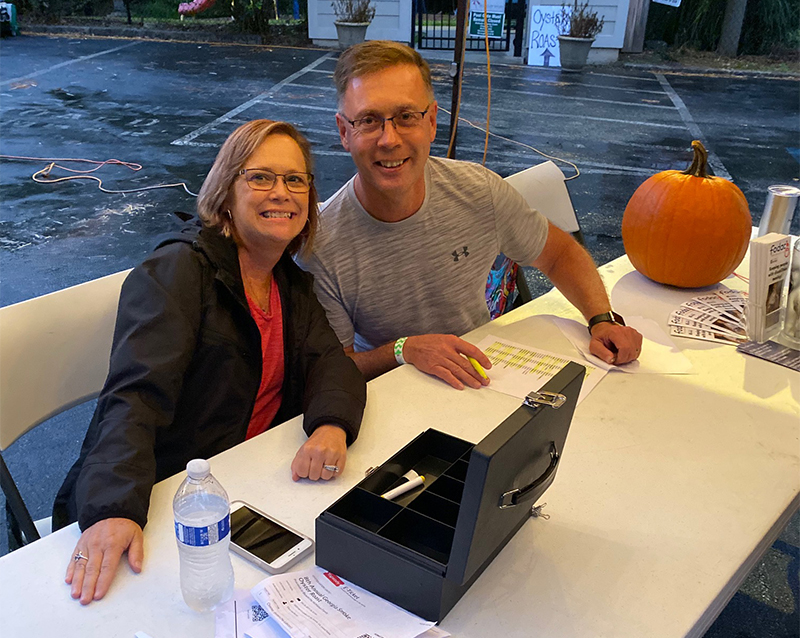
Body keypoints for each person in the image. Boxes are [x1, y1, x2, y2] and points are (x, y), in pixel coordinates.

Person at [52, 119, 366, 605]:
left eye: (295, 179)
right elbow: (135, 397)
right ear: (225, 192)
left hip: (244, 485)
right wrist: (114, 509)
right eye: (260, 177)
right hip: (167, 501)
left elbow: (331, 361)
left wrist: (331, 425)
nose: (281, 192)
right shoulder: (178, 272)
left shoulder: (286, 279)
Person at [296, 41, 643, 391]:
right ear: (344, 132)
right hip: (392, 395)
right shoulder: (321, 246)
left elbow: (558, 253)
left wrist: (601, 319)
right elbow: (335, 366)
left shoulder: (478, 192)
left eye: (406, 117)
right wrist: (404, 351)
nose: (389, 139)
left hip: (486, 376)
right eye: (369, 120)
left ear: (431, 122)